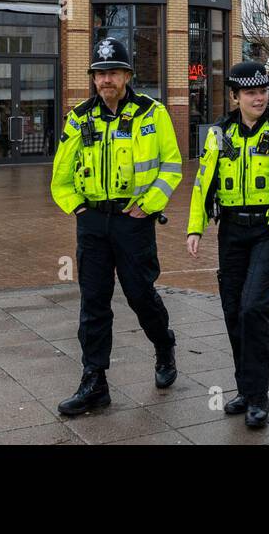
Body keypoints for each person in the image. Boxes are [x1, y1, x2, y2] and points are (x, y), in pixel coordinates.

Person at [50, 38, 183, 416]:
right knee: (93, 301)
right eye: (99, 73)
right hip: (92, 221)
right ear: (93, 79)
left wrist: (150, 204)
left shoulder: (151, 114)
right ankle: (95, 381)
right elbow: (60, 173)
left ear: (127, 75)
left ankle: (164, 346)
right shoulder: (80, 117)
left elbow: (171, 166)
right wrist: (76, 207)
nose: (106, 79)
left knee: (140, 294)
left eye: (113, 72)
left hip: (133, 221)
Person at [188, 61, 269, 428]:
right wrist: (194, 227)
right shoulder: (219, 134)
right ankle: (244, 388)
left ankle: (259, 395)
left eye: (262, 91)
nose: (259, 98)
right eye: (250, 93)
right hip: (231, 230)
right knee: (232, 309)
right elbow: (202, 183)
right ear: (235, 96)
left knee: (253, 307)